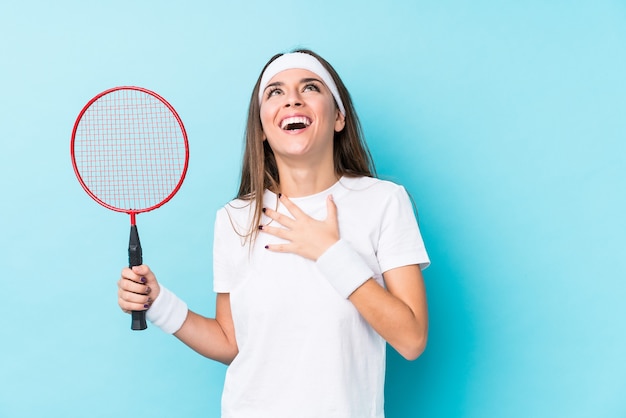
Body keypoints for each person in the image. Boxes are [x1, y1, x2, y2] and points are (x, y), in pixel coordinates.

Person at [117, 49, 430, 418]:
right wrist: (158, 303)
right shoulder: (235, 219)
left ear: (339, 118)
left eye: (310, 87)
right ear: (262, 129)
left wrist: (330, 253)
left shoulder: (383, 202)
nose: (292, 99)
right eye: (275, 92)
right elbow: (231, 342)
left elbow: (411, 339)